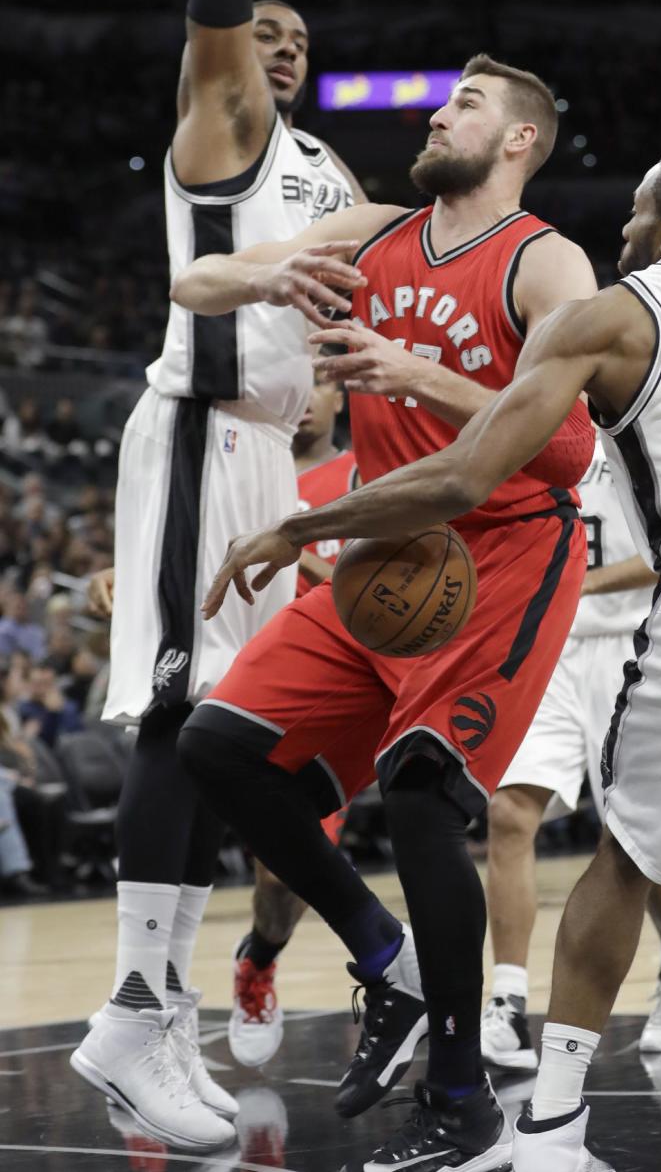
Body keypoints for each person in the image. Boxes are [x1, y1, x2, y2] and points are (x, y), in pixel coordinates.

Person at [205, 142, 661, 1172]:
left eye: (637, 213)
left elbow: (469, 473)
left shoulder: (614, 313)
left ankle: (554, 1127)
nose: (621, 230)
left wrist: (307, 526)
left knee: (623, 865)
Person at [172, 53, 598, 1169]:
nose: (434, 111)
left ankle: (462, 1103)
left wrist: (418, 373)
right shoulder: (372, 232)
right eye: (441, 97)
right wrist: (274, 283)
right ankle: (386, 958)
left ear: (519, 140)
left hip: (501, 552)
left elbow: (569, 444)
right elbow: (193, 285)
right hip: (381, 554)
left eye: (464, 103)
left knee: (420, 797)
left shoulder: (547, 264)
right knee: (215, 744)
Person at [69, 0, 365, 1153]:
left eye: (298, 34)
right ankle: (140, 1004)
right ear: (231, 46)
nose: (277, 42)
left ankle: (161, 1005)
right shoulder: (222, 126)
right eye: (262, 27)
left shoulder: (328, 171)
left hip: (269, 460)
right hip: (198, 426)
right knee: (178, 711)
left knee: (224, 736)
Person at [482, 426, 661, 1070]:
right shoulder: (527, 424)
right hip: (548, 650)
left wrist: (579, 582)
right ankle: (506, 1001)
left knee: (634, 830)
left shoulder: (646, 427)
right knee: (508, 814)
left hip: (628, 645)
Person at [229, 370, 358, 1068]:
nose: (305, 397)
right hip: (240, 685)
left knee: (286, 878)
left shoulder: (367, 473)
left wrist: (292, 547)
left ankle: (259, 958)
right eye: (295, 384)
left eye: (319, 385)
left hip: (331, 697)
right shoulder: (248, 468)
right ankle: (148, 1003)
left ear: (341, 394)